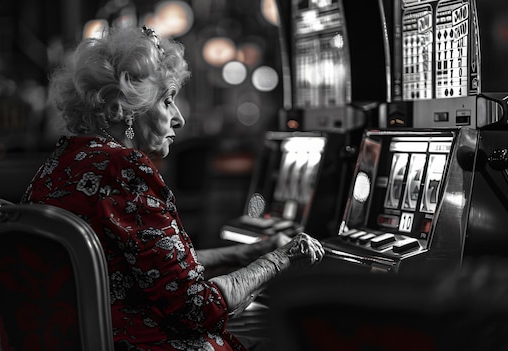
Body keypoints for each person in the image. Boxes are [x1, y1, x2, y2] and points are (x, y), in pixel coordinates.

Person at [22, 25, 325, 351]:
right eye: (167, 100)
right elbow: (197, 309)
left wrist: (244, 252)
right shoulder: (123, 169)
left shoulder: (61, 163)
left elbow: (147, 272)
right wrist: (279, 261)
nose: (178, 118)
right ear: (126, 107)